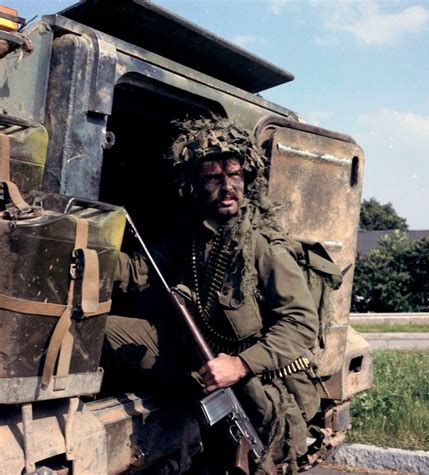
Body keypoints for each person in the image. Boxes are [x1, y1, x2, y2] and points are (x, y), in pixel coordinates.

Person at [105, 118, 322, 472]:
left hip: (256, 379)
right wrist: (84, 255)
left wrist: (240, 365)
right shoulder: (193, 235)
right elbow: (137, 271)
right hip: (199, 355)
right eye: (212, 177)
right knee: (104, 331)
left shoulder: (263, 246)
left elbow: (300, 323)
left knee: (237, 460)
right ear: (192, 185)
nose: (226, 187)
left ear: (246, 180)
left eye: (234, 176)